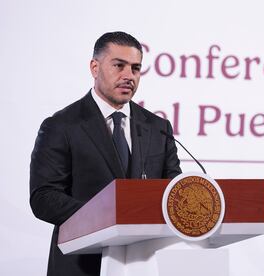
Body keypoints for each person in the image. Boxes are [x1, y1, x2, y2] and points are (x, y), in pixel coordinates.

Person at [30, 31, 182, 276]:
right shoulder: (61, 125)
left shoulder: (158, 128)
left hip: (141, 264)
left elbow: (174, 191)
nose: (128, 76)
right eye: (118, 66)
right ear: (94, 67)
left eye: (135, 68)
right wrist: (106, 217)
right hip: (81, 264)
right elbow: (44, 198)